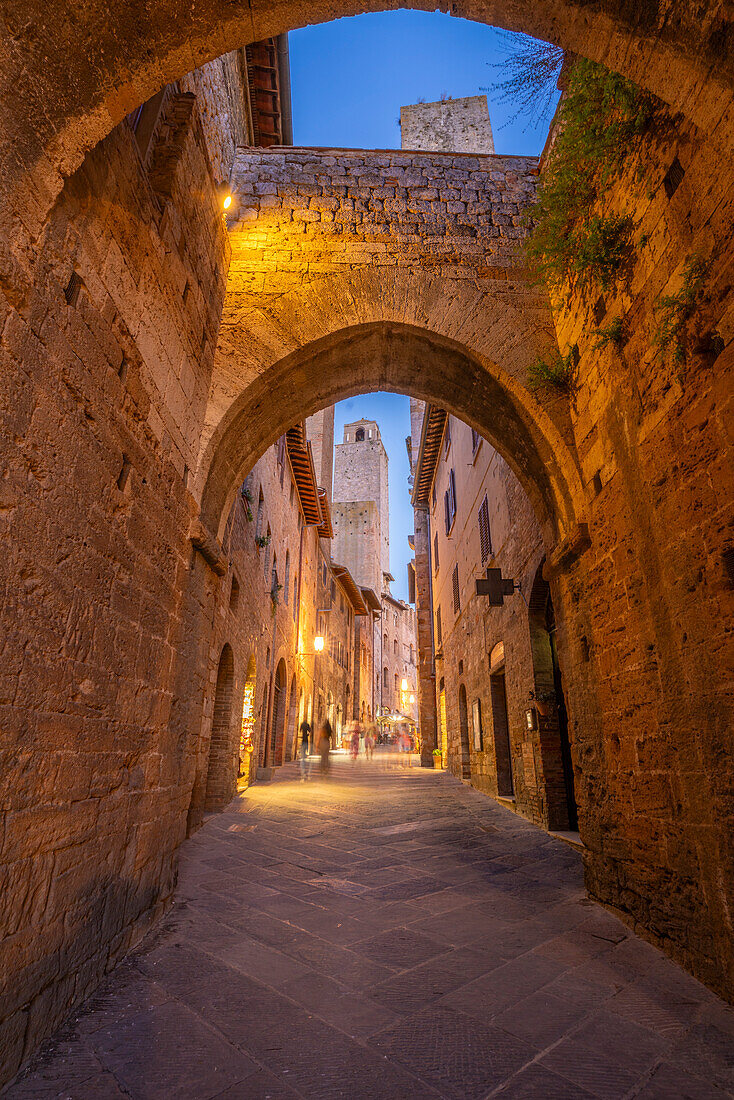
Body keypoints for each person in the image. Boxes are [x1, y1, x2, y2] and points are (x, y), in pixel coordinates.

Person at [299, 717, 311, 781]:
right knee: (306, 743)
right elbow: (310, 730)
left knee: (303, 743)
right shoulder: (307, 724)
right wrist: (308, 734)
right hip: (306, 736)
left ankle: (303, 752)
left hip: (303, 736)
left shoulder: (302, 724)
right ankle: (305, 752)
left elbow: (300, 730)